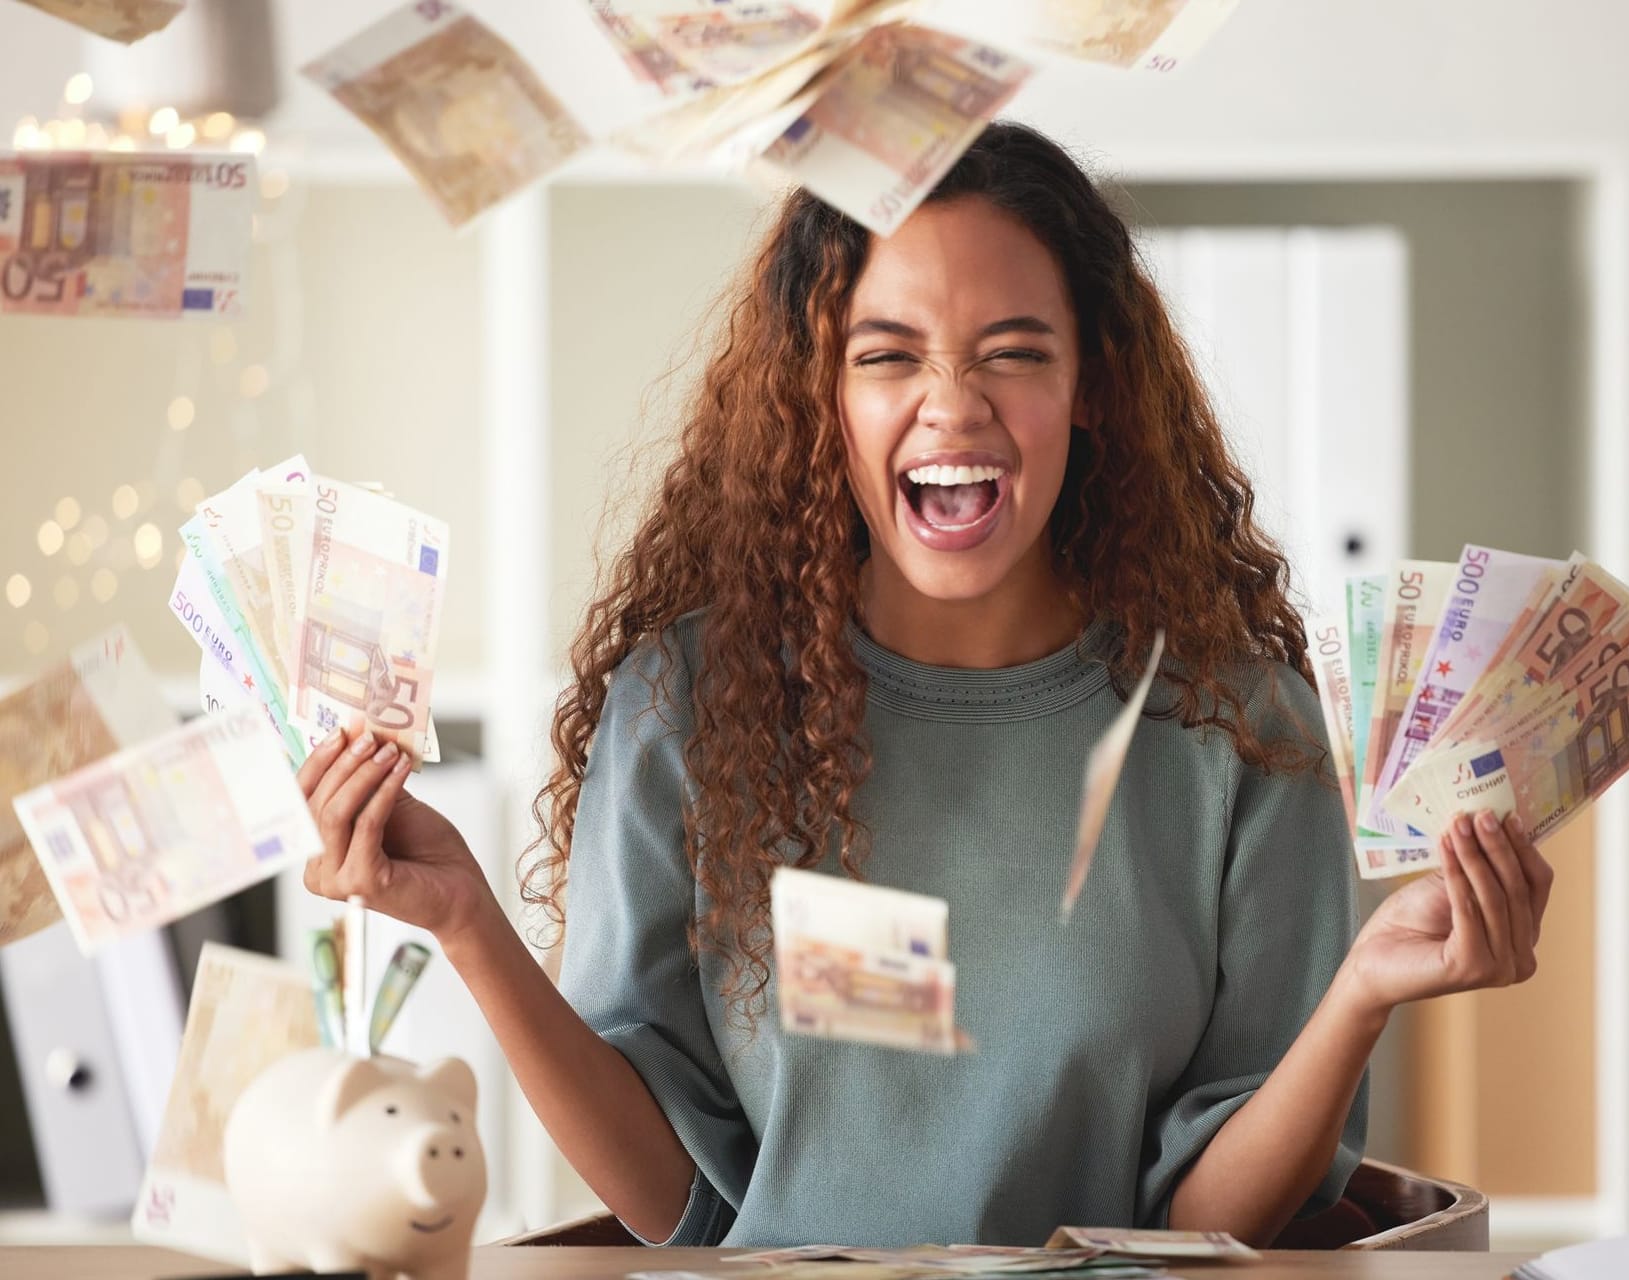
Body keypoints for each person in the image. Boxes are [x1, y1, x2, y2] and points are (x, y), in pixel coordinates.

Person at [297, 121, 1554, 1249]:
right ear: (817, 397)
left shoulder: (1240, 729)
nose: (953, 406)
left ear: (1093, 390)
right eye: (887, 354)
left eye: (1013, 352)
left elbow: (1206, 1232)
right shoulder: (686, 704)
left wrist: (1364, 995)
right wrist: (466, 917)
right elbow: (677, 1205)